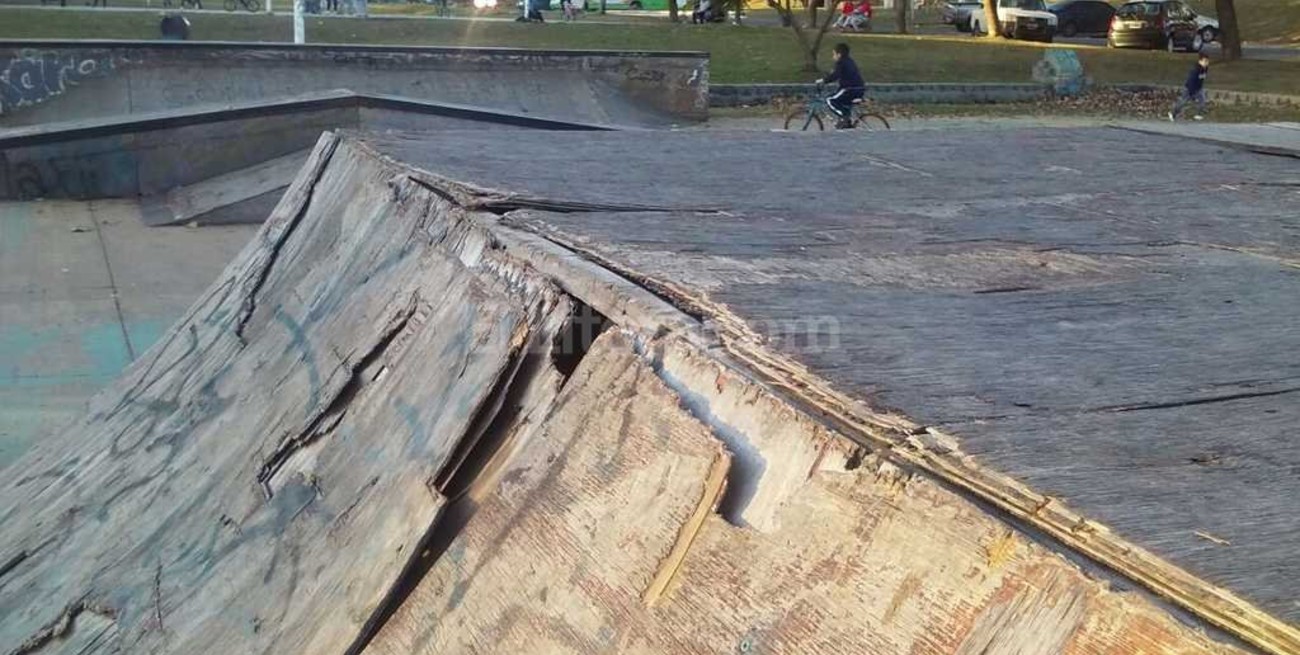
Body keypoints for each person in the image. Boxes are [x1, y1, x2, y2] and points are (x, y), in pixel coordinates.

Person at [816, 42, 865, 129]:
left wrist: (823, 81)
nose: (833, 57)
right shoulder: (849, 61)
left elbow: (835, 75)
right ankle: (846, 123)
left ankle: (844, 117)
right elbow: (837, 74)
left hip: (849, 89)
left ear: (839, 54)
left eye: (834, 54)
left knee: (830, 100)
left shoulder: (841, 62)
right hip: (858, 89)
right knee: (841, 101)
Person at [1169, 52, 1210, 122]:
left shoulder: (1205, 69)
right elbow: (1191, 81)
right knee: (1183, 102)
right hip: (1189, 88)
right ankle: (1173, 113)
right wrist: (1191, 92)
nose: (1206, 63)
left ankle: (1199, 114)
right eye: (1205, 61)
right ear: (1200, 61)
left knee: (1202, 99)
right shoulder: (1195, 70)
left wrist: (1199, 87)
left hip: (1198, 88)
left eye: (1207, 61)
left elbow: (1201, 79)